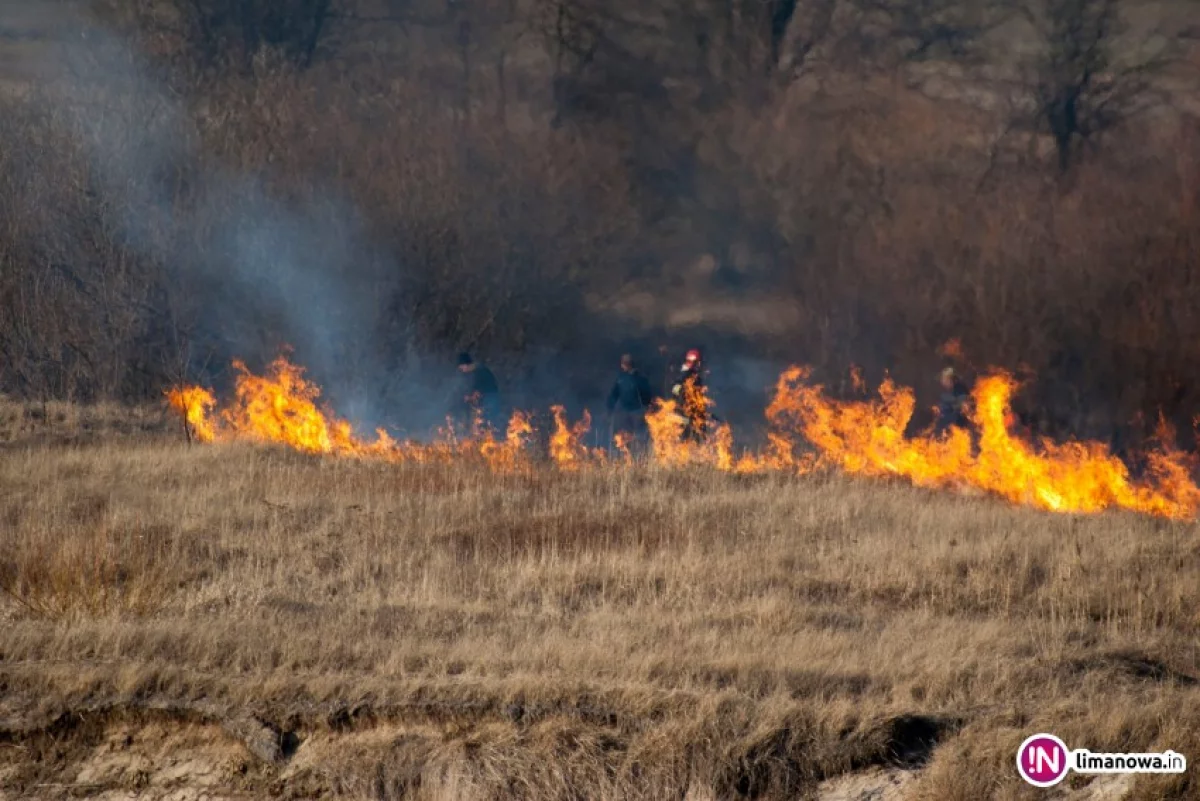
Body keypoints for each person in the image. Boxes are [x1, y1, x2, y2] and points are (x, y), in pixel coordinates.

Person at [606, 354, 656, 454]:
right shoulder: (622, 378)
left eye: (625, 363)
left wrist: (647, 405)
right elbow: (614, 395)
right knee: (625, 435)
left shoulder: (637, 378)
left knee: (638, 436)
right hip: (626, 412)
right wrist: (610, 409)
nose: (623, 365)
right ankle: (629, 455)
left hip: (636, 412)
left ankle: (638, 455)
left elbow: (646, 395)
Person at [456, 351, 502, 433]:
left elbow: (479, 390)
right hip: (487, 399)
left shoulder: (480, 371)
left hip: (491, 399)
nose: (462, 370)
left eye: (461, 368)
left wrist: (470, 398)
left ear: (465, 364)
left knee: (489, 423)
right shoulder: (475, 371)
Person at [671, 348, 709, 442]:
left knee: (692, 440)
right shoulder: (684, 376)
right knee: (686, 441)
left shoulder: (693, 376)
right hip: (684, 413)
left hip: (689, 413)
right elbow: (675, 391)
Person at [934, 366, 971, 437]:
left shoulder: (960, 389)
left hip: (960, 431)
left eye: (943, 379)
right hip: (954, 430)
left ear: (949, 379)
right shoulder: (952, 390)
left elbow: (959, 408)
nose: (942, 382)